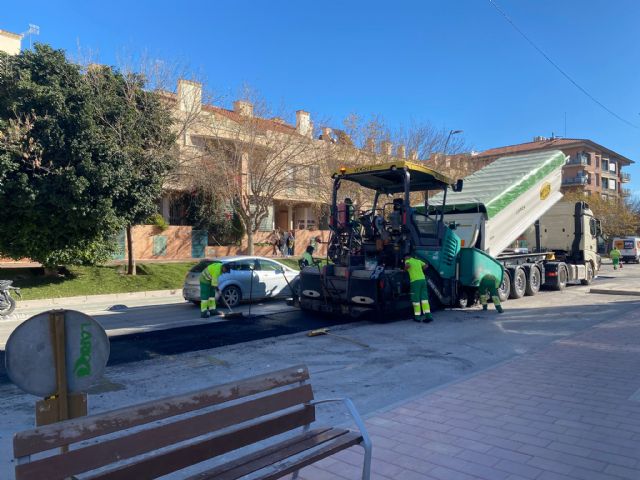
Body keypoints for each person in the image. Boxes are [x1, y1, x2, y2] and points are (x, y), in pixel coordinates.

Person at [403, 252, 432, 323]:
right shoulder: (417, 260)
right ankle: (428, 317)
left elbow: (407, 266)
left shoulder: (408, 260)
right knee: (424, 299)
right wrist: (420, 269)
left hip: (415, 281)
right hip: (423, 280)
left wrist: (405, 270)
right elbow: (426, 266)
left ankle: (417, 318)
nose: (404, 260)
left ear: (407, 257)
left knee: (416, 300)